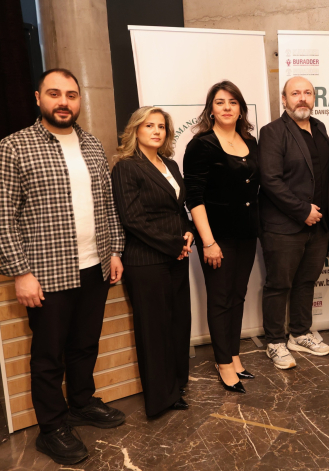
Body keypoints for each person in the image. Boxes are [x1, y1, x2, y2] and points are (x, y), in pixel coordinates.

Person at [0, 69, 126, 465]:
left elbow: (106, 204)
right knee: (49, 355)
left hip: (95, 267)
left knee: (84, 344)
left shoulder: (92, 145)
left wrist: (114, 250)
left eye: (71, 94)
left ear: (79, 100)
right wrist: (21, 272)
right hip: (47, 273)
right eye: (54, 93)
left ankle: (81, 403)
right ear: (38, 98)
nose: (63, 102)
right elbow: (2, 217)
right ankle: (51, 428)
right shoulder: (14, 147)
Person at [111, 106, 194, 416]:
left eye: (161, 126)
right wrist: (174, 245)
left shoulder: (170, 164)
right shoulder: (126, 167)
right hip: (146, 260)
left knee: (178, 323)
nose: (156, 131)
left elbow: (178, 209)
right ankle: (160, 399)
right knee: (154, 331)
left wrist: (188, 232)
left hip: (177, 256)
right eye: (149, 125)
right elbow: (132, 219)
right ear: (136, 130)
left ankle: (177, 385)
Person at [183, 81, 259, 393]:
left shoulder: (250, 141)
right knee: (220, 298)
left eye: (232, 102)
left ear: (240, 109)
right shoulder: (201, 145)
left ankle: (234, 355)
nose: (227, 107)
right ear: (211, 110)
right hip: (217, 236)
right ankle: (223, 362)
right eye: (220, 102)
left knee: (238, 296)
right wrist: (209, 242)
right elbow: (194, 197)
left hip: (247, 233)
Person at [258, 76, 329, 369]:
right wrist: (302, 210)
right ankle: (275, 342)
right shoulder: (273, 132)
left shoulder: (319, 127)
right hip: (284, 225)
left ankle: (299, 333)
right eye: (295, 93)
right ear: (284, 99)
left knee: (306, 282)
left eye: (307, 93)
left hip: (318, 225)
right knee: (279, 285)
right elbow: (270, 180)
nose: (302, 98)